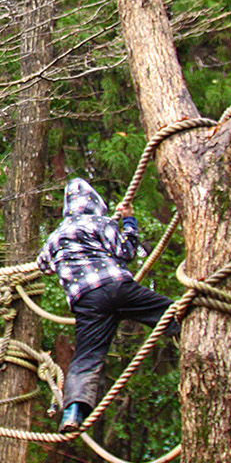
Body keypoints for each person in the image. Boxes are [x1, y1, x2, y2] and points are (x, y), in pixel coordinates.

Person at [36, 177, 180, 434]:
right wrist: (129, 222)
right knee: (169, 311)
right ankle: (184, 332)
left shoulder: (54, 237)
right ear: (95, 203)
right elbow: (127, 252)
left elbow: (43, 266)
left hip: (86, 302)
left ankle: (72, 412)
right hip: (116, 286)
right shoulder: (102, 223)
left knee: (86, 358)